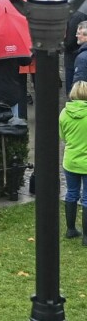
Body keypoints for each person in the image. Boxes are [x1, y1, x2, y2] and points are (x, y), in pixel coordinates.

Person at [60, 81, 87, 243]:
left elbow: (62, 136)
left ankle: (70, 229)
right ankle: (86, 237)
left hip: (70, 160)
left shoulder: (64, 113)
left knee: (71, 193)